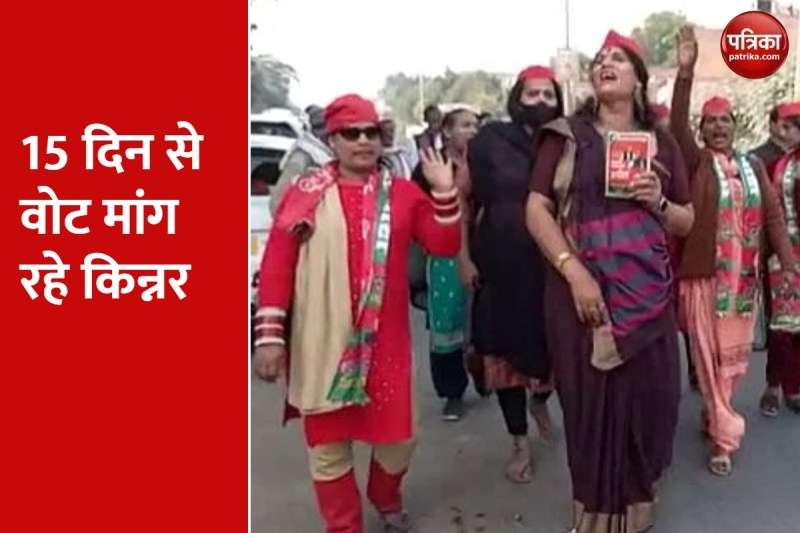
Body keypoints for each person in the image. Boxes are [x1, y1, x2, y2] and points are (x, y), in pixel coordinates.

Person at [253, 94, 462, 533]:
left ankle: (385, 494)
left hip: (386, 345)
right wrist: (269, 337)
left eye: (372, 132)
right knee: (328, 448)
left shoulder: (403, 194)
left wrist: (444, 191)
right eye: (352, 133)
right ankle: (344, 526)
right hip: (321, 342)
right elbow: (276, 266)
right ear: (332, 140)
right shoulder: (304, 195)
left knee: (400, 439)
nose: (364, 141)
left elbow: (443, 246)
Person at [526, 30, 695, 532]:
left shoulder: (661, 142)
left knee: (652, 407)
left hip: (648, 301)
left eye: (619, 58)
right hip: (581, 300)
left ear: (639, 80)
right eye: (600, 58)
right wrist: (574, 271)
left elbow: (685, 220)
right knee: (590, 414)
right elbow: (536, 209)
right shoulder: (565, 136)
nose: (606, 63)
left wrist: (656, 201)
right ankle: (595, 518)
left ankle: (636, 512)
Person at [670, 26, 795, 476]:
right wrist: (686, 73)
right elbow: (676, 125)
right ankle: (724, 440)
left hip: (742, 282)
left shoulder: (752, 165)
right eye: (711, 121)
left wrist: (788, 262)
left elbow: (774, 216)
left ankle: (716, 410)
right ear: (702, 129)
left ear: (735, 127)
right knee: (707, 360)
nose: (719, 127)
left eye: (725, 120)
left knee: (732, 364)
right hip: (703, 281)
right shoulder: (695, 162)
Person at [467, 65, 562, 484]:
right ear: (516, 98)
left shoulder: (566, 141)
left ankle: (540, 399)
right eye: (532, 93)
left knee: (555, 346)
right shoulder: (490, 140)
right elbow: (466, 199)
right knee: (504, 353)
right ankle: (519, 440)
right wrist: (462, 257)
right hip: (500, 263)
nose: (540, 101)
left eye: (548, 94)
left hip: (553, 262)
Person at [411, 107, 480, 421]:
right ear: (447, 131)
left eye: (475, 125)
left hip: (482, 246)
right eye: (465, 125)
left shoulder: (484, 161)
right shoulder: (431, 165)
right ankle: (452, 392)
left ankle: (482, 370)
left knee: (481, 318)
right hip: (444, 254)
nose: (472, 131)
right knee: (447, 324)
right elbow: (415, 210)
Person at [759, 101, 800, 417]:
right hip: (781, 254)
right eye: (782, 126)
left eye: (789, 127)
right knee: (781, 324)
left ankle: (794, 385)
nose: (782, 133)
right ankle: (773, 384)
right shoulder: (777, 165)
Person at [269, 105, 334, 214]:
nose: (326, 132)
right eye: (321, 127)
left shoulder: (325, 155)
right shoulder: (301, 158)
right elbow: (279, 203)